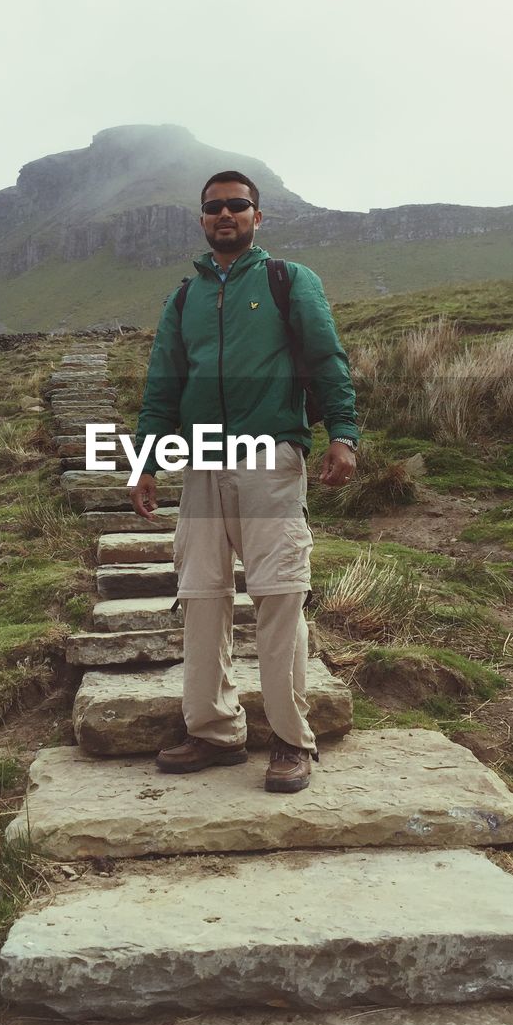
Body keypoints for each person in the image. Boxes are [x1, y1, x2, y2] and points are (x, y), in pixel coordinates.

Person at [129, 170, 359, 792]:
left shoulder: (288, 281)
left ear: (259, 216)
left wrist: (343, 432)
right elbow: (164, 385)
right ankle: (211, 731)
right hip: (202, 460)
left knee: (280, 594)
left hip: (270, 456)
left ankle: (290, 740)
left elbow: (325, 356)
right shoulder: (183, 299)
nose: (225, 215)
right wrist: (146, 460)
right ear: (202, 219)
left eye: (237, 205)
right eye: (214, 208)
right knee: (201, 595)